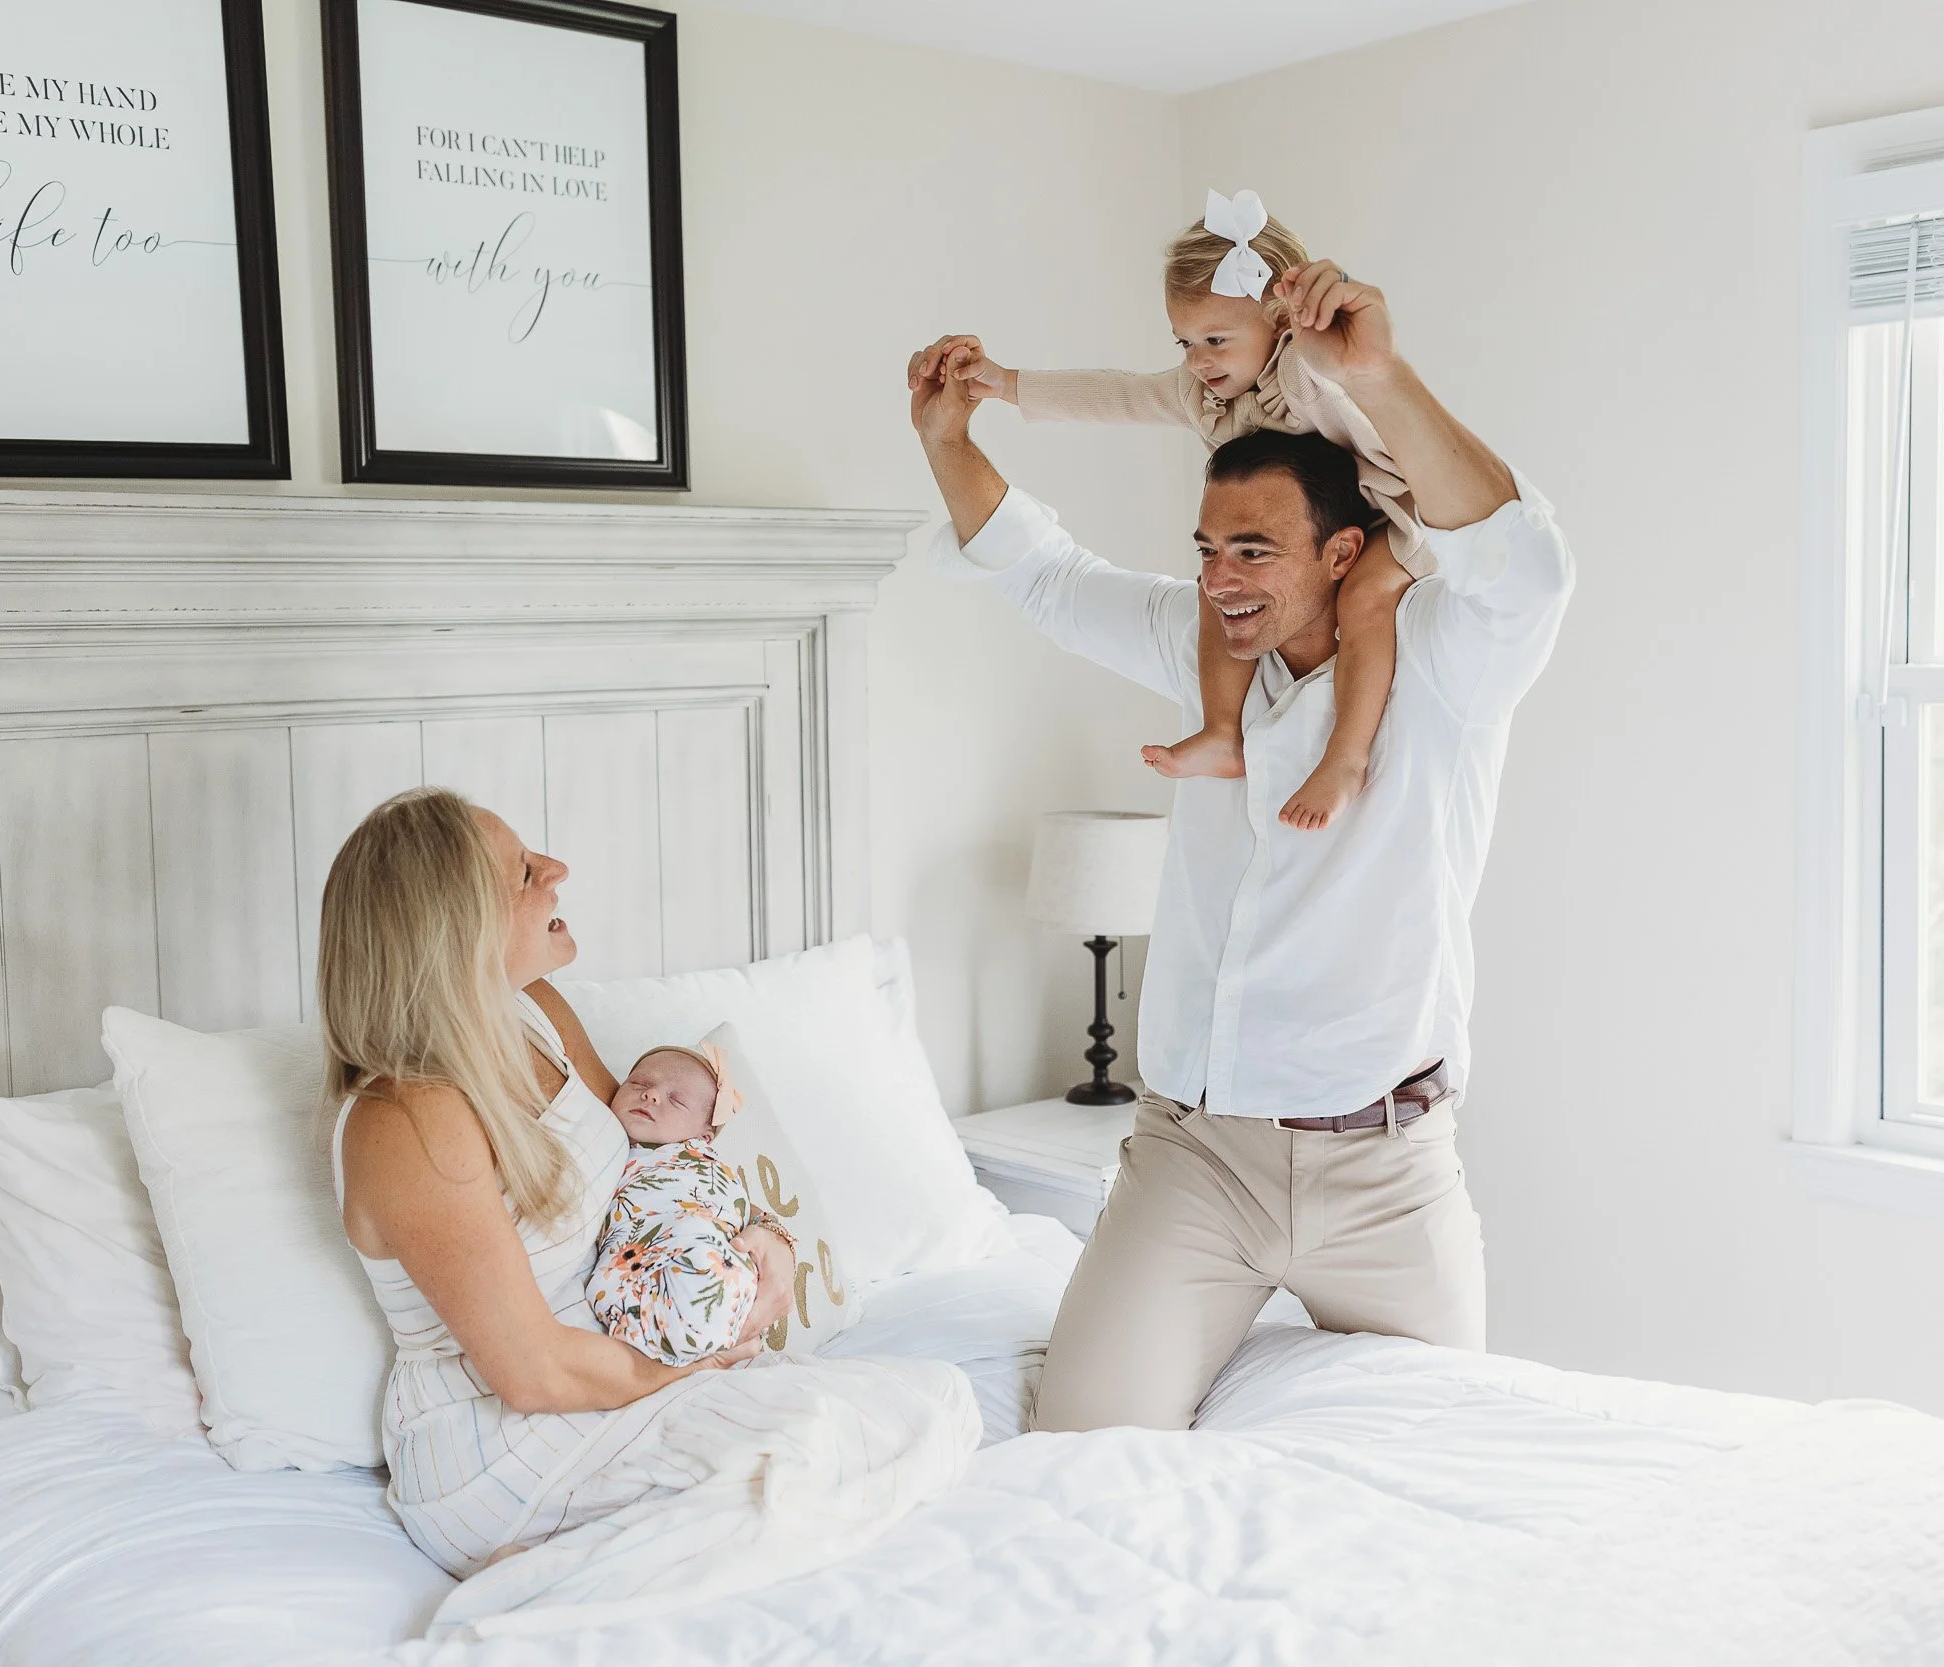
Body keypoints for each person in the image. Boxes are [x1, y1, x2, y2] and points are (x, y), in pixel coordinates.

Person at [906, 262, 1575, 1433]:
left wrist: (1378, 373)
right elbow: (1050, 578)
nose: (1218, 578)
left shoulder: (1447, 669)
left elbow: (1527, 565)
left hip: (1384, 1173)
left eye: (1254, 550)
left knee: (1443, 1459)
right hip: (1191, 1159)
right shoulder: (1199, 642)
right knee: (1082, 1441)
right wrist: (947, 437)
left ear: (1344, 553)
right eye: (1207, 547)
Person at [322, 787, 974, 1628]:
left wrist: (761, 1238)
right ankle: (532, 1589)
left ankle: (624, 1556)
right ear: (460, 930)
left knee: (936, 1407)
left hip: (628, 1359)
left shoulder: (535, 1015)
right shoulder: (408, 1120)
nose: (557, 871)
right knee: (847, 1441)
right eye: (525, 872)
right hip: (508, 1444)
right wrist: (703, 1361)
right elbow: (533, 1372)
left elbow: (652, 1166)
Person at [926, 188, 1423, 831]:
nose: (1198, 360)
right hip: (1326, 528)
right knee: (1215, 594)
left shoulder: (1309, 372)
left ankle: (1347, 758)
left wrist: (1333, 324)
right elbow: (1120, 395)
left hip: (1391, 518)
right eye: (1184, 341)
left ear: (1281, 321)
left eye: (1215, 339)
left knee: (1365, 602)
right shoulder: (1202, 392)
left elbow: (1380, 397)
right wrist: (1006, 383)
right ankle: (1223, 729)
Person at [588, 1042, 781, 1367]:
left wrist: (771, 1233)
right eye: (639, 1084)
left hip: (722, 1277)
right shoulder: (604, 1144)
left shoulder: (706, 1164)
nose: (650, 1095)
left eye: (676, 1100)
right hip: (649, 1274)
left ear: (704, 1137)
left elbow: (746, 1212)